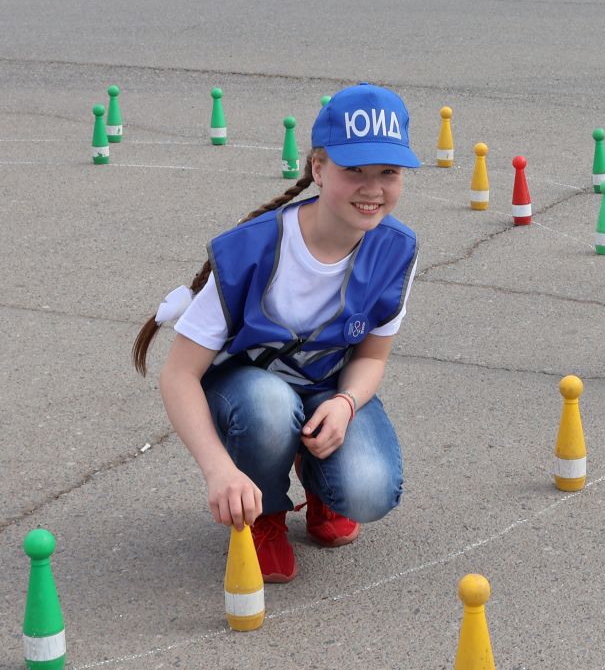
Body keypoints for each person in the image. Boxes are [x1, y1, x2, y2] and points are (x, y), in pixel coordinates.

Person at [132, 83, 421, 582]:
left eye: (388, 173)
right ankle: (262, 511)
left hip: (325, 391)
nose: (372, 189)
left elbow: (372, 358)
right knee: (268, 403)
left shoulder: (397, 248)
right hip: (246, 396)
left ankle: (322, 487)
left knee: (370, 489)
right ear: (318, 166)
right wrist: (218, 470)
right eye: (354, 170)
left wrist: (346, 403)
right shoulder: (251, 249)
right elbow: (177, 376)